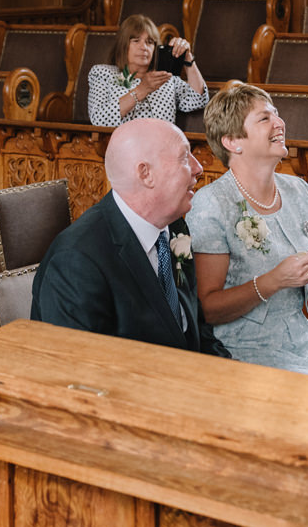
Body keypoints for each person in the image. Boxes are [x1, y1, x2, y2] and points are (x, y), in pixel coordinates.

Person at [185, 83, 308, 383]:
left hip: (301, 341)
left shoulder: (299, 192)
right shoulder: (211, 204)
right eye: (264, 118)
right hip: (242, 347)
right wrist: (273, 281)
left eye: (277, 115)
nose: (279, 123)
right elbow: (208, 309)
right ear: (232, 142)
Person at [31, 117, 230, 358]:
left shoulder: (176, 229)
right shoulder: (77, 261)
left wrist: (229, 374)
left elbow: (195, 325)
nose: (199, 168)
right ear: (145, 174)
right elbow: (81, 372)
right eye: (184, 158)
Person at [87, 15, 207, 127]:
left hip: (162, 146)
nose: (144, 47)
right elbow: (99, 119)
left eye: (149, 42)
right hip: (124, 146)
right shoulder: (103, 74)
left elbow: (198, 100)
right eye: (136, 41)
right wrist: (142, 90)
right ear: (123, 45)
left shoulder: (165, 78)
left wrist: (188, 59)